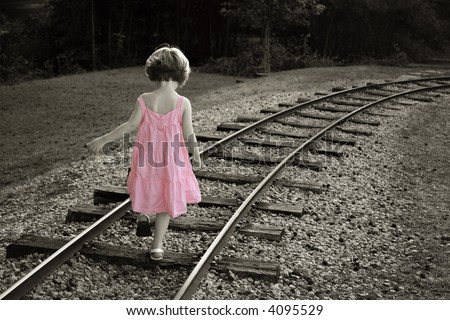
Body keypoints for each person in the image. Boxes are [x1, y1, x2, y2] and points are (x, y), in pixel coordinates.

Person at [86, 43, 202, 261]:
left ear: (154, 73)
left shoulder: (145, 99)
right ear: (181, 74)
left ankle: (142, 214)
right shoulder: (182, 102)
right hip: (171, 159)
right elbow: (189, 133)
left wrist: (103, 139)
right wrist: (195, 154)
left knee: (146, 185)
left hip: (146, 157)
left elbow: (130, 126)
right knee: (166, 199)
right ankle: (157, 247)